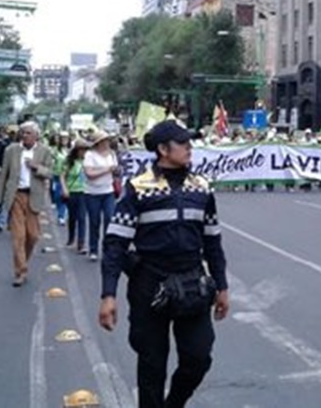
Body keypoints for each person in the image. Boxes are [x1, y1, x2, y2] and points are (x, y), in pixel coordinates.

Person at [100, 120, 230, 408]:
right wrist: (108, 294)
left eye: (190, 143)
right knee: (151, 365)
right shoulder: (138, 189)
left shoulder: (202, 188)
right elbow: (115, 245)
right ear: (162, 149)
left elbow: (212, 242)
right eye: (183, 143)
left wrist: (222, 286)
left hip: (192, 283)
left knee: (198, 357)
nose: (189, 148)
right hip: (149, 285)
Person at [0, 121, 53, 287]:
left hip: (34, 197)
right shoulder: (11, 150)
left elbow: (50, 173)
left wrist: (36, 167)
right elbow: (3, 176)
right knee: (18, 237)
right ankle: (20, 271)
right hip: (16, 196)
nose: (24, 135)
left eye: (28, 133)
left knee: (32, 236)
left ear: (36, 135)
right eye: (23, 133)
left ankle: (23, 260)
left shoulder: (44, 151)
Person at [83, 130, 119, 261]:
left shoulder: (112, 154)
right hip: (92, 193)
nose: (107, 143)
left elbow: (116, 171)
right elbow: (89, 174)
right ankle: (93, 249)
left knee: (110, 219)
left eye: (107, 140)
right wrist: (107, 170)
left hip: (108, 191)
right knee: (94, 221)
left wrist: (115, 171)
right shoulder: (90, 155)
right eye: (104, 141)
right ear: (98, 143)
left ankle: (107, 249)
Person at [60, 139, 89, 253]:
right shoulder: (69, 162)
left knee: (82, 217)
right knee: (72, 217)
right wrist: (64, 188)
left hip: (84, 192)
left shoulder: (88, 161)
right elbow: (63, 176)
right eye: (81, 150)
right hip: (72, 191)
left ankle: (81, 243)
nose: (83, 152)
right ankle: (71, 238)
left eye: (85, 150)